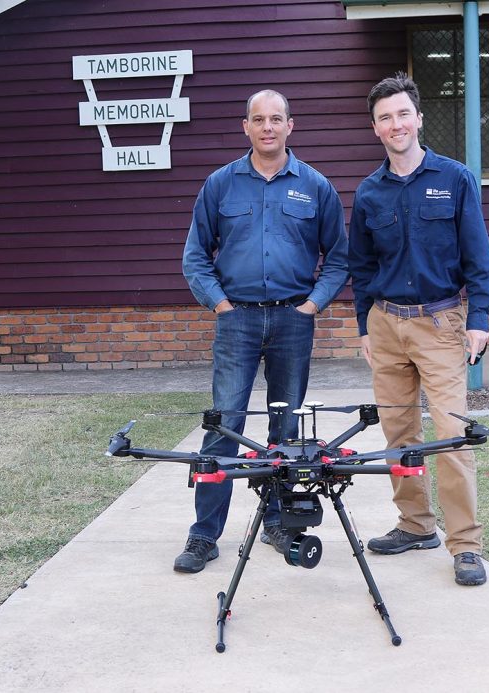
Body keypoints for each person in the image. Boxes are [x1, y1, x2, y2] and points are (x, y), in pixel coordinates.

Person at [176, 89, 349, 573]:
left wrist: (313, 306)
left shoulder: (316, 187)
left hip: (294, 320)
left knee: (285, 431)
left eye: (276, 119)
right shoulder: (220, 185)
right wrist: (222, 307)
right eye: (258, 119)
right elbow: (195, 257)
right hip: (239, 321)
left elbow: (338, 258)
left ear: (291, 126)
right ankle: (203, 535)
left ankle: (277, 521)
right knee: (223, 427)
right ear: (245, 127)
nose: (268, 127)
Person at [348, 72, 489, 586]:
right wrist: (364, 327)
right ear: (376, 128)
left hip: (440, 323)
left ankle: (466, 546)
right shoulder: (369, 193)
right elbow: (361, 268)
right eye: (385, 117)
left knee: (451, 437)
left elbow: (479, 256)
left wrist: (479, 319)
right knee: (398, 433)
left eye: (403, 113)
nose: (396, 124)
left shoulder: (455, 179)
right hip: (386, 325)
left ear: (418, 117)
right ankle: (415, 525)